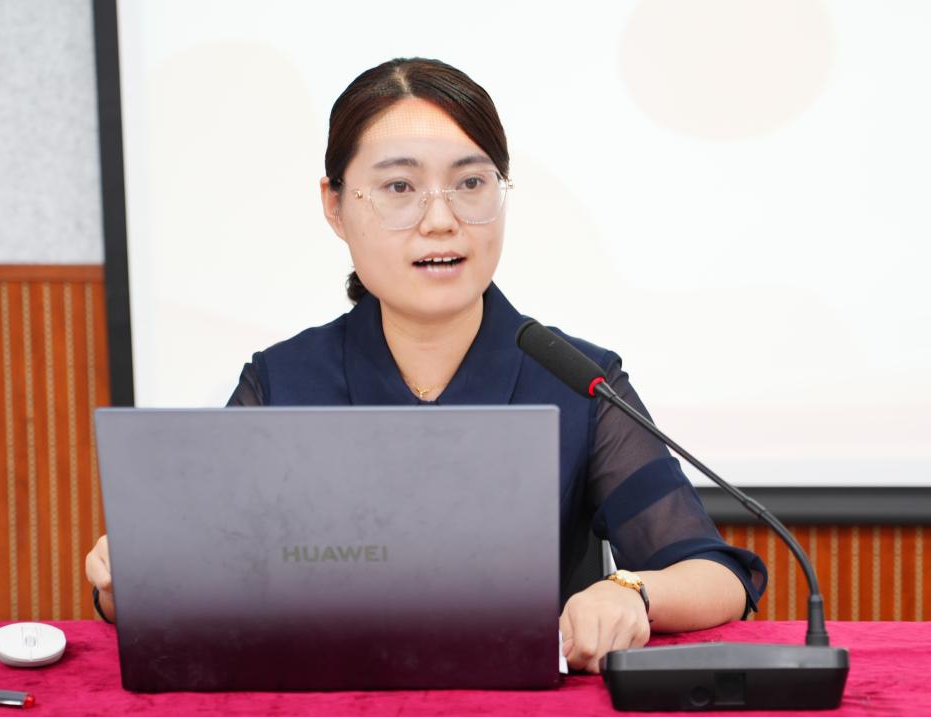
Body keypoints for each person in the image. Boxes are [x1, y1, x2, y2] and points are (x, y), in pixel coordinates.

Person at [86, 57, 766, 674]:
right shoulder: (282, 380)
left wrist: (631, 590)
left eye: (470, 183)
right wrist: (129, 582)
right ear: (334, 206)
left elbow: (716, 575)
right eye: (399, 187)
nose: (440, 220)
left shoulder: (578, 379)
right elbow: (200, 578)